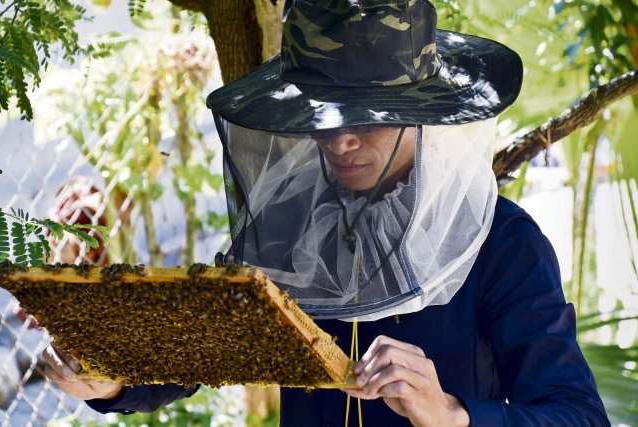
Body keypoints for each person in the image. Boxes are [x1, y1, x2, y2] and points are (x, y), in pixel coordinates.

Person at [42, 1, 610, 425]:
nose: (339, 142)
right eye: (322, 116)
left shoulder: (502, 243)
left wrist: (452, 413)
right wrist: (114, 383)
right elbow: (206, 350)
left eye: (365, 116)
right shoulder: (286, 224)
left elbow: (577, 414)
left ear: (419, 113)